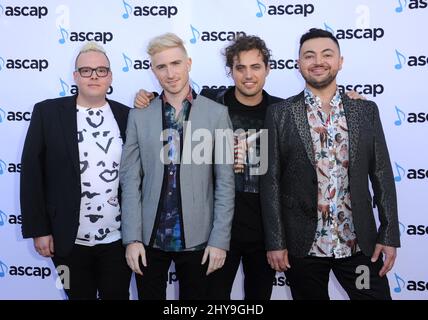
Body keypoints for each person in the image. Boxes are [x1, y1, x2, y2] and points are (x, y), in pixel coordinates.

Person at [135, 35, 365, 300]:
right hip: (218, 231)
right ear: (230, 71)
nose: (248, 75)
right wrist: (148, 97)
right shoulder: (210, 104)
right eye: (240, 67)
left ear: (268, 69)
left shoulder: (284, 111)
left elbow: (324, 110)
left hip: (267, 233)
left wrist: (351, 101)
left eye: (255, 67)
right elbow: (175, 101)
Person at [261, 28, 400, 300]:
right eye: (309, 56)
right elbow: (271, 183)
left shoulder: (365, 110)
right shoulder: (279, 114)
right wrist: (276, 242)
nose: (318, 61)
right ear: (298, 63)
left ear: (340, 61)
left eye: (327, 54)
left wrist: (389, 233)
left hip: (358, 246)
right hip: (304, 247)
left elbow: (381, 173)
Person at [119, 32, 235, 300]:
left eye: (176, 64)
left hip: (199, 240)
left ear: (189, 63)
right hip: (148, 241)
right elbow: (130, 181)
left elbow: (225, 182)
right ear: (153, 71)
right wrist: (132, 239)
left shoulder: (217, 114)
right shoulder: (139, 115)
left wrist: (219, 241)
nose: (170, 73)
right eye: (162, 66)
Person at [20, 42, 131, 299]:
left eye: (101, 70)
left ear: (111, 76)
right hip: (66, 241)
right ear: (75, 76)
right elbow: (32, 175)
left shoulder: (127, 116)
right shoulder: (47, 113)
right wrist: (39, 229)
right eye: (86, 70)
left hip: (118, 240)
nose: (94, 76)